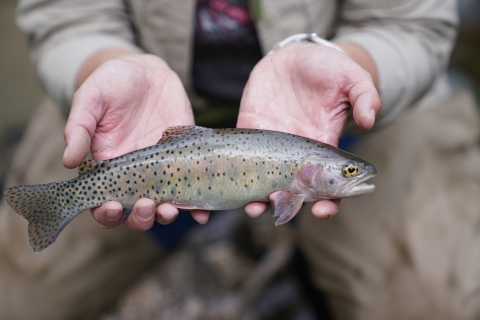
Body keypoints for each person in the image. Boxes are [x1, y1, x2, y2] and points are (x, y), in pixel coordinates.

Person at [0, 0, 464, 319]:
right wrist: (98, 63)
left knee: (440, 306)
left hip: (357, 107)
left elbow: (414, 23)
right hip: (134, 114)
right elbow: (65, 16)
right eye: (344, 174)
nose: (349, 178)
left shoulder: (333, 123)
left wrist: (355, 64)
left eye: (343, 175)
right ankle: (64, 202)